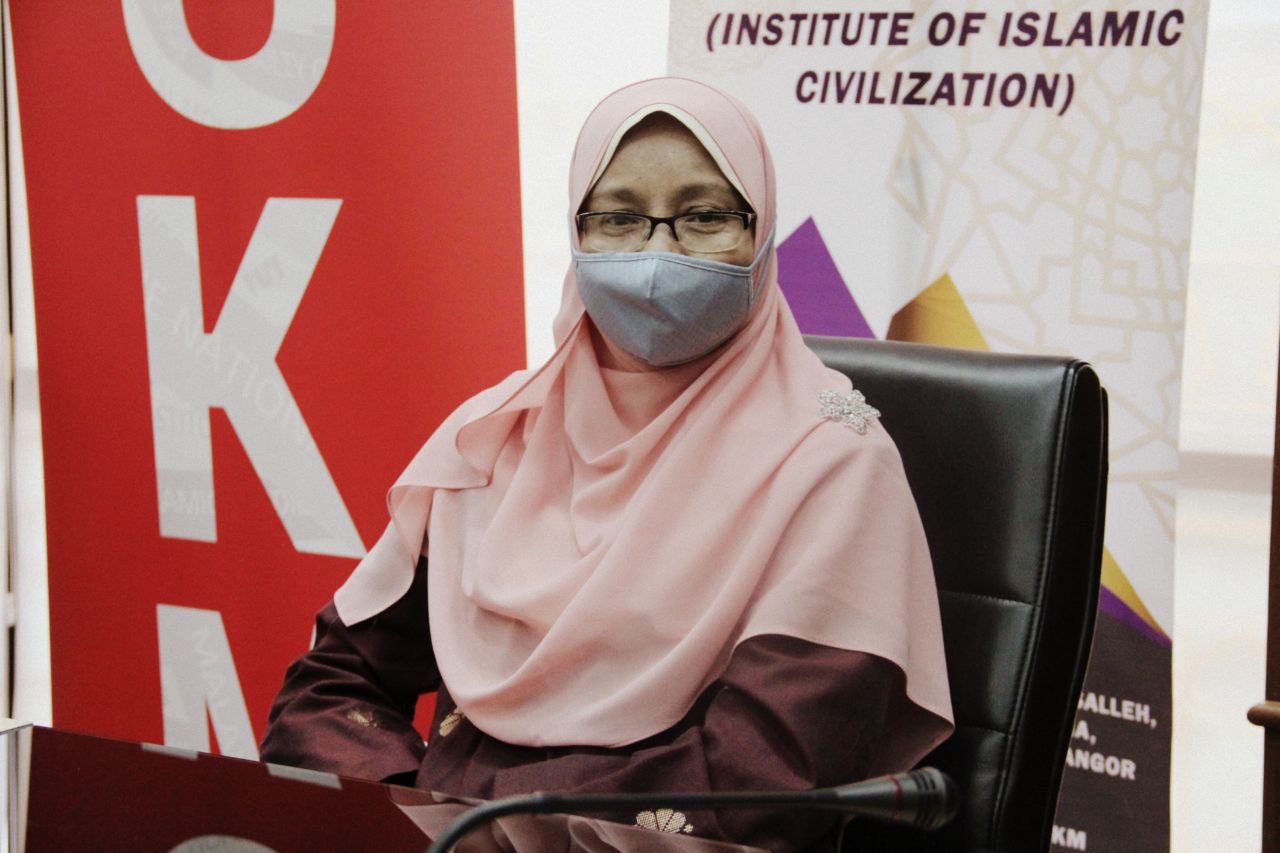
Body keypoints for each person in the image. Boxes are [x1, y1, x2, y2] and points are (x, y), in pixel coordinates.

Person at [261, 77, 953, 851]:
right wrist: (409, 817)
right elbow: (329, 688)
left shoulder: (833, 469)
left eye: (704, 217)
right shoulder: (496, 440)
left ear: (762, 235)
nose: (657, 255)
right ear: (576, 234)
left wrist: (485, 828)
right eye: (618, 218)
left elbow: (763, 780)